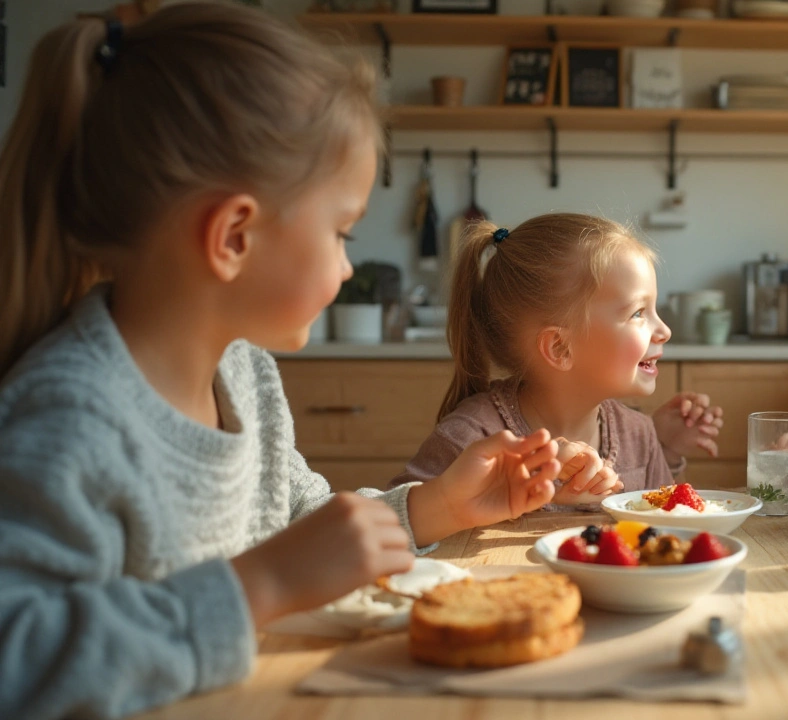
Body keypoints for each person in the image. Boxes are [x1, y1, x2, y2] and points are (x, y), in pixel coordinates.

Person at [0, 5, 563, 718]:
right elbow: (16, 660)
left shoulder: (246, 375)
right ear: (234, 235)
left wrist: (436, 505)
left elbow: (304, 531)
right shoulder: (68, 415)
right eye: (341, 231)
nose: (346, 264)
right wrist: (252, 590)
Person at [391, 214, 707, 506]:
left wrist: (670, 453)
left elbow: (666, 531)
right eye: (638, 313)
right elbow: (399, 525)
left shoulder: (640, 434)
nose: (664, 330)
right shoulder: (470, 439)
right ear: (560, 349)